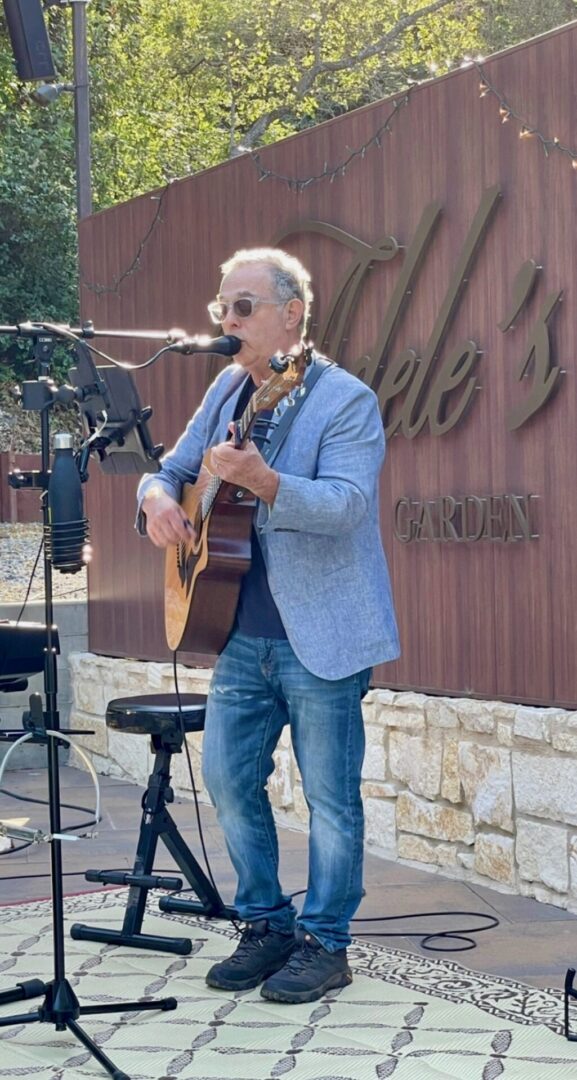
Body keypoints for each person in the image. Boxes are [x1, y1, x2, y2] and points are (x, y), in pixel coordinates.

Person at [136, 247, 400, 1004]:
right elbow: (173, 469)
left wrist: (266, 482)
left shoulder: (344, 400)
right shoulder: (226, 386)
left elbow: (346, 505)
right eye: (223, 306)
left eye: (242, 306)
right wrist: (155, 498)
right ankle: (266, 922)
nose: (227, 319)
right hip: (237, 631)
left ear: (292, 315)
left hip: (323, 636)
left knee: (330, 798)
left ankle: (325, 942)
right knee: (224, 777)